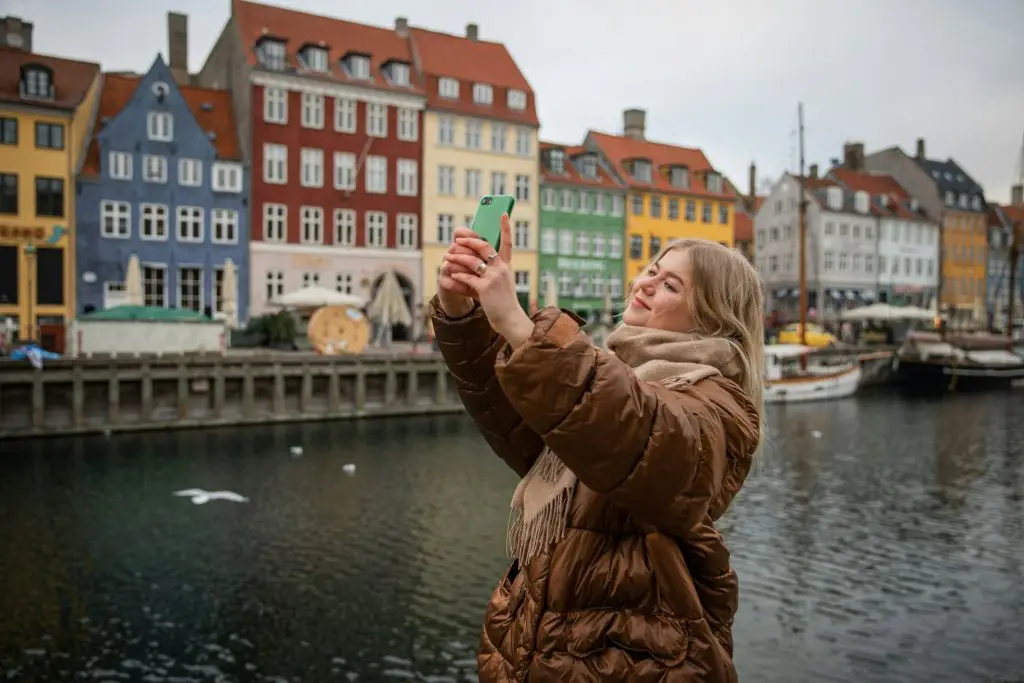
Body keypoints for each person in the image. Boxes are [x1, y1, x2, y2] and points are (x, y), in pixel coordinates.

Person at [431, 215, 764, 683]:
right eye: (652, 269)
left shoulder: (718, 405)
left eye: (670, 284)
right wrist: (463, 313)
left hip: (630, 662)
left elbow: (643, 436)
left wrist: (520, 326)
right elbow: (523, 424)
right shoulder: (610, 374)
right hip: (546, 649)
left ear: (712, 316)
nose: (646, 283)